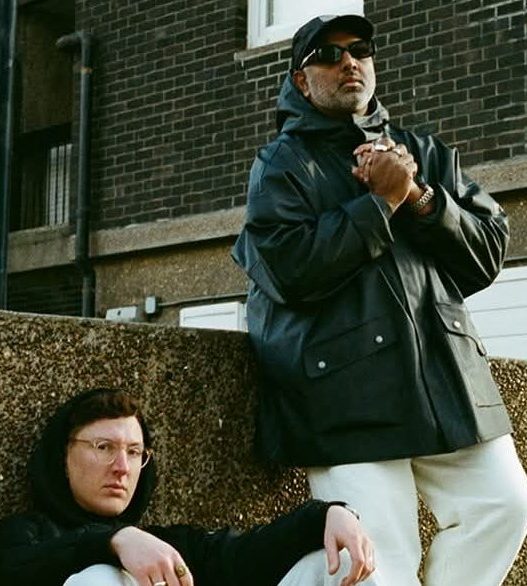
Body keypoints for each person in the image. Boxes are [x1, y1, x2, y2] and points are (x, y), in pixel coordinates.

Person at [232, 13, 527, 586]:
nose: (349, 62)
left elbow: (488, 252)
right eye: (328, 54)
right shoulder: (282, 164)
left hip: (445, 381)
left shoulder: (422, 151)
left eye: (359, 50)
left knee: (504, 505)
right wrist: (379, 205)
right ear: (301, 81)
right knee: (378, 561)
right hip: (346, 395)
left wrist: (417, 196)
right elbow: (288, 269)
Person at [0, 387, 375, 586]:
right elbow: (16, 569)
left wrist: (328, 514)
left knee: (335, 564)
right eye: (103, 447)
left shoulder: (163, 545)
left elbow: (244, 554)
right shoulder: (24, 535)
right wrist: (112, 542)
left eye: (134, 452)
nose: (122, 467)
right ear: (62, 456)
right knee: (101, 578)